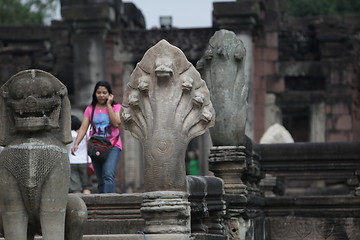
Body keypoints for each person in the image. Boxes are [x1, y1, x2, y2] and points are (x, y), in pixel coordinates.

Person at [71, 81, 122, 193]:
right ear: (95, 94)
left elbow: (116, 123)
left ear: (110, 94)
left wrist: (109, 105)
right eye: (99, 92)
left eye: (105, 92)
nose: (101, 95)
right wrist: (76, 144)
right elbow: (83, 128)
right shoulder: (90, 109)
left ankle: (108, 203)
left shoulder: (116, 107)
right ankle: (102, 203)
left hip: (113, 145)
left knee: (108, 175)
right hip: (96, 146)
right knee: (101, 179)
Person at [69, 115, 92, 194]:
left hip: (71, 162)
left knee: (75, 187)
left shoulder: (69, 135)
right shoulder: (86, 133)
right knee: (87, 186)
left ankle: (79, 204)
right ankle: (88, 203)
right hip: (85, 162)